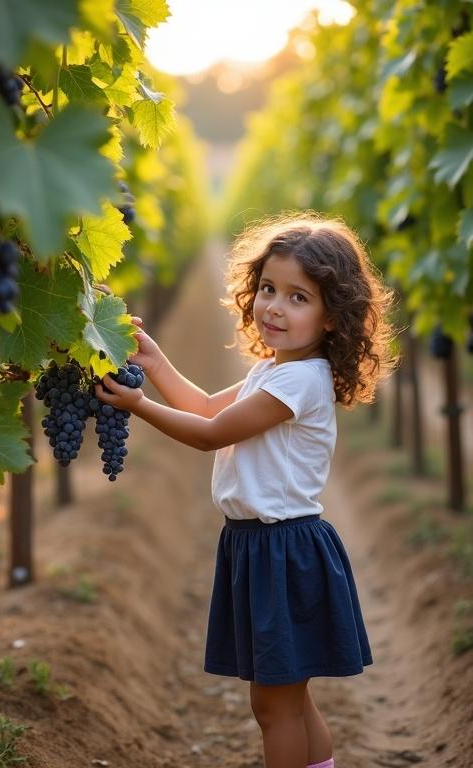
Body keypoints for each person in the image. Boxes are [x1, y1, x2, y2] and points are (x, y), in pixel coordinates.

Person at [95, 212, 398, 768]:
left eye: (298, 298)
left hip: (282, 551)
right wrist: (157, 363)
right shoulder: (274, 368)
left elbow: (210, 435)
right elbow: (210, 406)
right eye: (267, 289)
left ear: (334, 317)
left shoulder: (299, 381)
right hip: (262, 546)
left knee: (273, 707)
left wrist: (139, 405)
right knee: (291, 700)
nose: (275, 307)